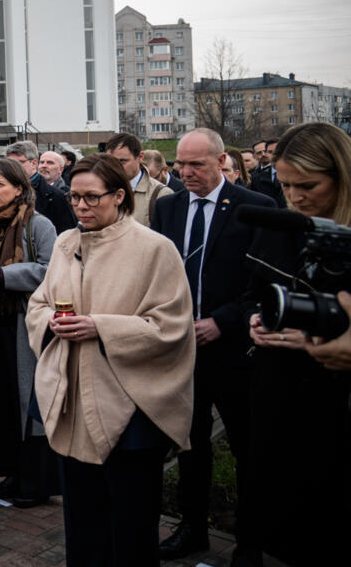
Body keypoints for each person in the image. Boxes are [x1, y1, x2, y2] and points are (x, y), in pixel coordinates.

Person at [26, 152, 195, 566]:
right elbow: (38, 304)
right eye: (74, 197)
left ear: (119, 196)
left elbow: (171, 326)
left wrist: (100, 327)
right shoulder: (66, 243)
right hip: (72, 401)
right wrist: (52, 322)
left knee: (131, 525)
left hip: (130, 408)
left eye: (92, 197)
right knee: (82, 519)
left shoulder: (155, 249)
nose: (80, 206)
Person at [150, 128, 275, 565]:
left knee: (246, 447)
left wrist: (223, 321)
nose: (185, 172)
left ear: (222, 161)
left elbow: (264, 282)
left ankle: (250, 541)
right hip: (181, 348)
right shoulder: (168, 207)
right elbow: (159, 273)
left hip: (234, 350)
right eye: (180, 164)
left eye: (196, 165)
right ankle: (192, 527)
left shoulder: (255, 208)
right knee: (189, 443)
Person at [243, 122, 351, 566]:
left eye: (308, 186)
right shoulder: (282, 226)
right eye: (286, 185)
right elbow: (255, 291)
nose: (295, 197)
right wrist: (258, 320)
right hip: (280, 395)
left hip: (335, 408)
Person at [0, 158, 59, 509]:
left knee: (29, 403)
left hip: (27, 326)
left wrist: (6, 276)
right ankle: (10, 471)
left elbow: (52, 270)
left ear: (19, 188)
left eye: (0, 185)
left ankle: (36, 480)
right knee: (1, 399)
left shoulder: (38, 225)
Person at [105, 132, 173, 227]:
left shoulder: (161, 194)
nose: (116, 167)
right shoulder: (100, 189)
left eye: (122, 161)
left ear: (140, 157)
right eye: (111, 162)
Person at [5, 142, 75, 233]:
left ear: (34, 163)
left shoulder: (58, 197)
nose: (13, 167)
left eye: (19, 163)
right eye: (9, 163)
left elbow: (66, 234)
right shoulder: (1, 193)